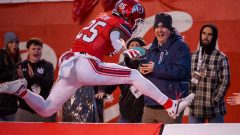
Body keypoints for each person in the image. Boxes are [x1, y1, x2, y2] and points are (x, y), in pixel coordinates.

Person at [0, 0, 194, 120]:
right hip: (86, 65)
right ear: (130, 15)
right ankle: (170, 105)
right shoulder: (121, 24)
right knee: (134, 74)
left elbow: (103, 38)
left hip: (69, 62)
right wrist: (124, 50)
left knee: (47, 109)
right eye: (136, 19)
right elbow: (114, 38)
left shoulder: (103, 17)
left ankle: (22, 91)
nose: (136, 23)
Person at [139, 12, 192, 123]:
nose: (160, 30)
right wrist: (143, 69)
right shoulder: (152, 47)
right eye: (157, 27)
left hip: (170, 106)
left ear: (170, 29)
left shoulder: (180, 46)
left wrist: (156, 68)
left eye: (163, 27)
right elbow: (149, 67)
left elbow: (183, 71)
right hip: (149, 104)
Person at [188, 23, 230, 123]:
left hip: (215, 110)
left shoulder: (221, 57)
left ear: (214, 37)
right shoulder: (192, 56)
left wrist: (214, 100)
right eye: (203, 33)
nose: (205, 37)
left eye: (209, 34)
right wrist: (188, 99)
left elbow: (225, 81)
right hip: (195, 109)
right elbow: (186, 79)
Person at [99, 37, 146, 123]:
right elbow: (110, 81)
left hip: (144, 113)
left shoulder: (148, 65)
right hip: (125, 113)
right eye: (132, 45)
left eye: (137, 45)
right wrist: (103, 90)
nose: (134, 47)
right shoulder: (121, 66)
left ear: (142, 49)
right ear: (127, 49)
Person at [15, 38, 56, 122]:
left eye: (38, 49)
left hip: (44, 111)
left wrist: (34, 77)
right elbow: (15, 89)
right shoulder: (21, 66)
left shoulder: (47, 66)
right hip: (24, 110)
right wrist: (21, 80)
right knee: (19, 134)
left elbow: (49, 84)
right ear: (28, 50)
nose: (36, 51)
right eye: (33, 49)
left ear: (41, 50)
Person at [0, 32, 21, 121]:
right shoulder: (1, 56)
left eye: (16, 42)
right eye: (11, 42)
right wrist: (14, 71)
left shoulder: (17, 58)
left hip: (12, 106)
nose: (14, 45)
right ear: (6, 43)